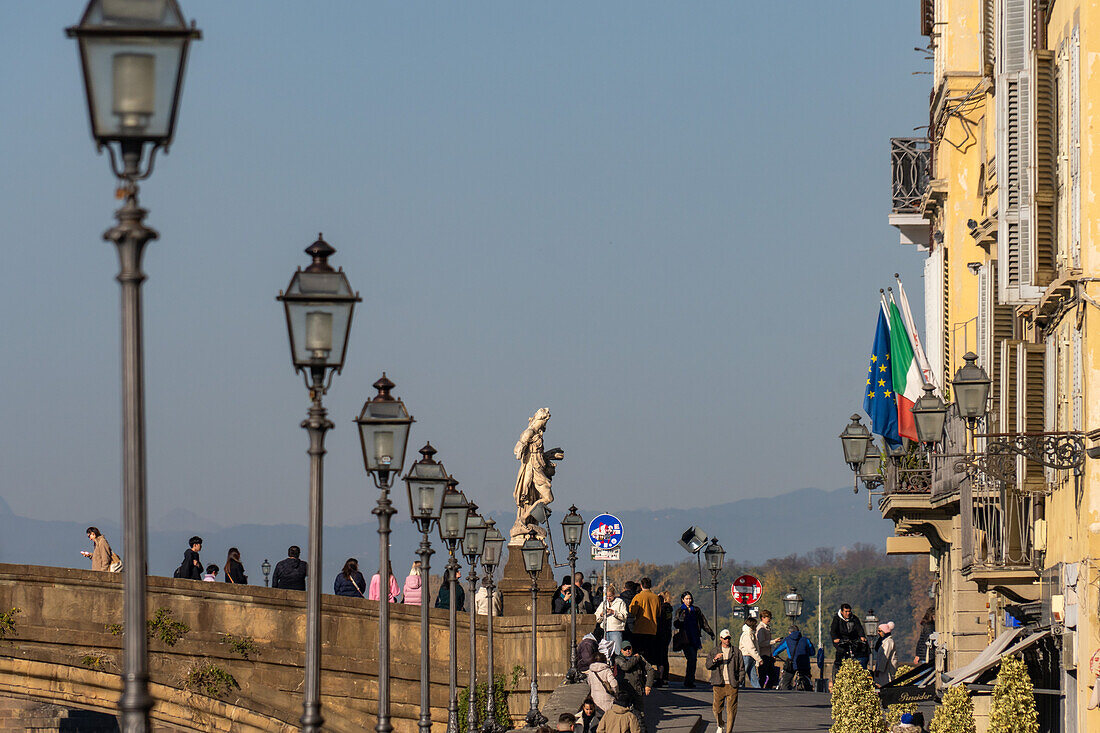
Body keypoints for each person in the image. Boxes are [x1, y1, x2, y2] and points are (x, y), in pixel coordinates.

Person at [705, 629, 745, 733]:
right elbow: (708, 665)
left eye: (729, 638)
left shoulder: (736, 652)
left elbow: (741, 668)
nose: (727, 640)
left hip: (732, 684)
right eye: (725, 638)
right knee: (717, 709)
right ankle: (720, 723)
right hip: (719, 684)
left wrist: (738, 681)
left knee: (731, 711)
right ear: (721, 639)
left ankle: (728, 731)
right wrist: (715, 659)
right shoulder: (715, 651)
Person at [673, 591, 715, 688]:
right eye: (687, 599)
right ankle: (689, 680)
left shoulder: (696, 610)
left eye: (690, 598)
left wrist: (710, 632)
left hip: (694, 638)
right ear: (683, 600)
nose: (689, 600)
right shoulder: (680, 611)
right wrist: (681, 620)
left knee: (693, 659)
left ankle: (690, 680)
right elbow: (675, 623)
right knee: (691, 658)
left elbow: (703, 622)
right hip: (685, 638)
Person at [611, 640, 653, 730]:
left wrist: (648, 685)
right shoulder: (619, 659)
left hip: (637, 690)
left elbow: (650, 670)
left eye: (629, 648)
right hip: (625, 692)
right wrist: (636, 658)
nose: (628, 651)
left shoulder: (638, 658)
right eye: (625, 649)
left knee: (639, 714)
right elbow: (626, 666)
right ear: (621, 650)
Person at [627, 577, 660, 663]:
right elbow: (658, 613)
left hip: (639, 629)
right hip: (652, 629)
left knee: (639, 654)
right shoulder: (656, 598)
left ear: (641, 586)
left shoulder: (638, 597)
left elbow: (632, 611)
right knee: (649, 654)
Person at [830, 603, 867, 679]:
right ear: (842, 612)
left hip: (852, 639)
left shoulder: (854, 618)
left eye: (849, 611)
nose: (848, 613)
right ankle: (837, 669)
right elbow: (833, 630)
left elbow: (859, 628)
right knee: (841, 652)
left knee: (858, 651)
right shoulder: (837, 619)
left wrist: (862, 636)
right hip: (841, 640)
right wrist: (835, 638)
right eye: (846, 611)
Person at [773, 625, 815, 691]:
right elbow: (812, 652)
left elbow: (776, 651)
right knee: (807, 680)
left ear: (790, 632)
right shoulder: (806, 640)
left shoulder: (787, 640)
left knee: (786, 682)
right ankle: (808, 689)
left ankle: (786, 693)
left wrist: (774, 655)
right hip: (804, 663)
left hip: (791, 664)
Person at [596, 583, 629, 656]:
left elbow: (624, 616)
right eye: (606, 596)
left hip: (616, 630)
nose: (608, 598)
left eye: (610, 596)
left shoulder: (620, 602)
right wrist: (601, 615)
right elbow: (596, 617)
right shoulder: (603, 603)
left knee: (617, 652)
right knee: (605, 652)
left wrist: (614, 612)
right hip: (605, 630)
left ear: (614, 594)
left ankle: (616, 666)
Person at [653, 592, 673, 686]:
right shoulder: (669, 609)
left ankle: (660, 678)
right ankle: (665, 677)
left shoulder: (661, 609)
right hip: (667, 634)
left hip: (660, 634)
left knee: (660, 657)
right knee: (664, 656)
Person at [756, 609, 777, 689]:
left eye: (770, 618)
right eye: (767, 618)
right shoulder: (761, 628)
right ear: (762, 618)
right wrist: (773, 641)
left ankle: (766, 689)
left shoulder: (767, 628)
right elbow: (761, 643)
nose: (769, 619)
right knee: (763, 676)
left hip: (768, 655)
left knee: (772, 676)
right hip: (763, 655)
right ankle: (761, 691)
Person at [739, 617, 762, 688]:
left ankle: (757, 687)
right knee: (742, 674)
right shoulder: (747, 635)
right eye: (755, 625)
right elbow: (751, 648)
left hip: (750, 657)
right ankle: (739, 686)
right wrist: (759, 659)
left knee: (753, 675)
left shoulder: (750, 634)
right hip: (746, 656)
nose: (756, 627)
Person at [872, 621, 898, 686]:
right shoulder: (883, 641)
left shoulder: (889, 642)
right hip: (882, 669)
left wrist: (879, 669)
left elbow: (885, 657)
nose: (878, 632)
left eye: (880, 631)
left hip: (886, 670)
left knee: (885, 685)